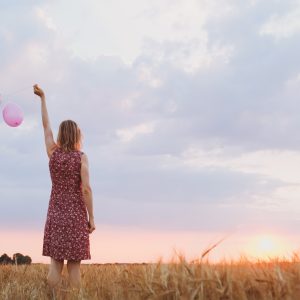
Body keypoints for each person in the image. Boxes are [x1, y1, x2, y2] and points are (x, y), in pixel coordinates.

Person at [33, 84, 96, 294]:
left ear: (61, 134)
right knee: (74, 266)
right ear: (77, 135)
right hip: (76, 216)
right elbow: (86, 189)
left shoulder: (53, 153)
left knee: (55, 264)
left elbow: (45, 126)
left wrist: (43, 99)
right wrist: (91, 218)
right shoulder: (81, 158)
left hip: (55, 214)